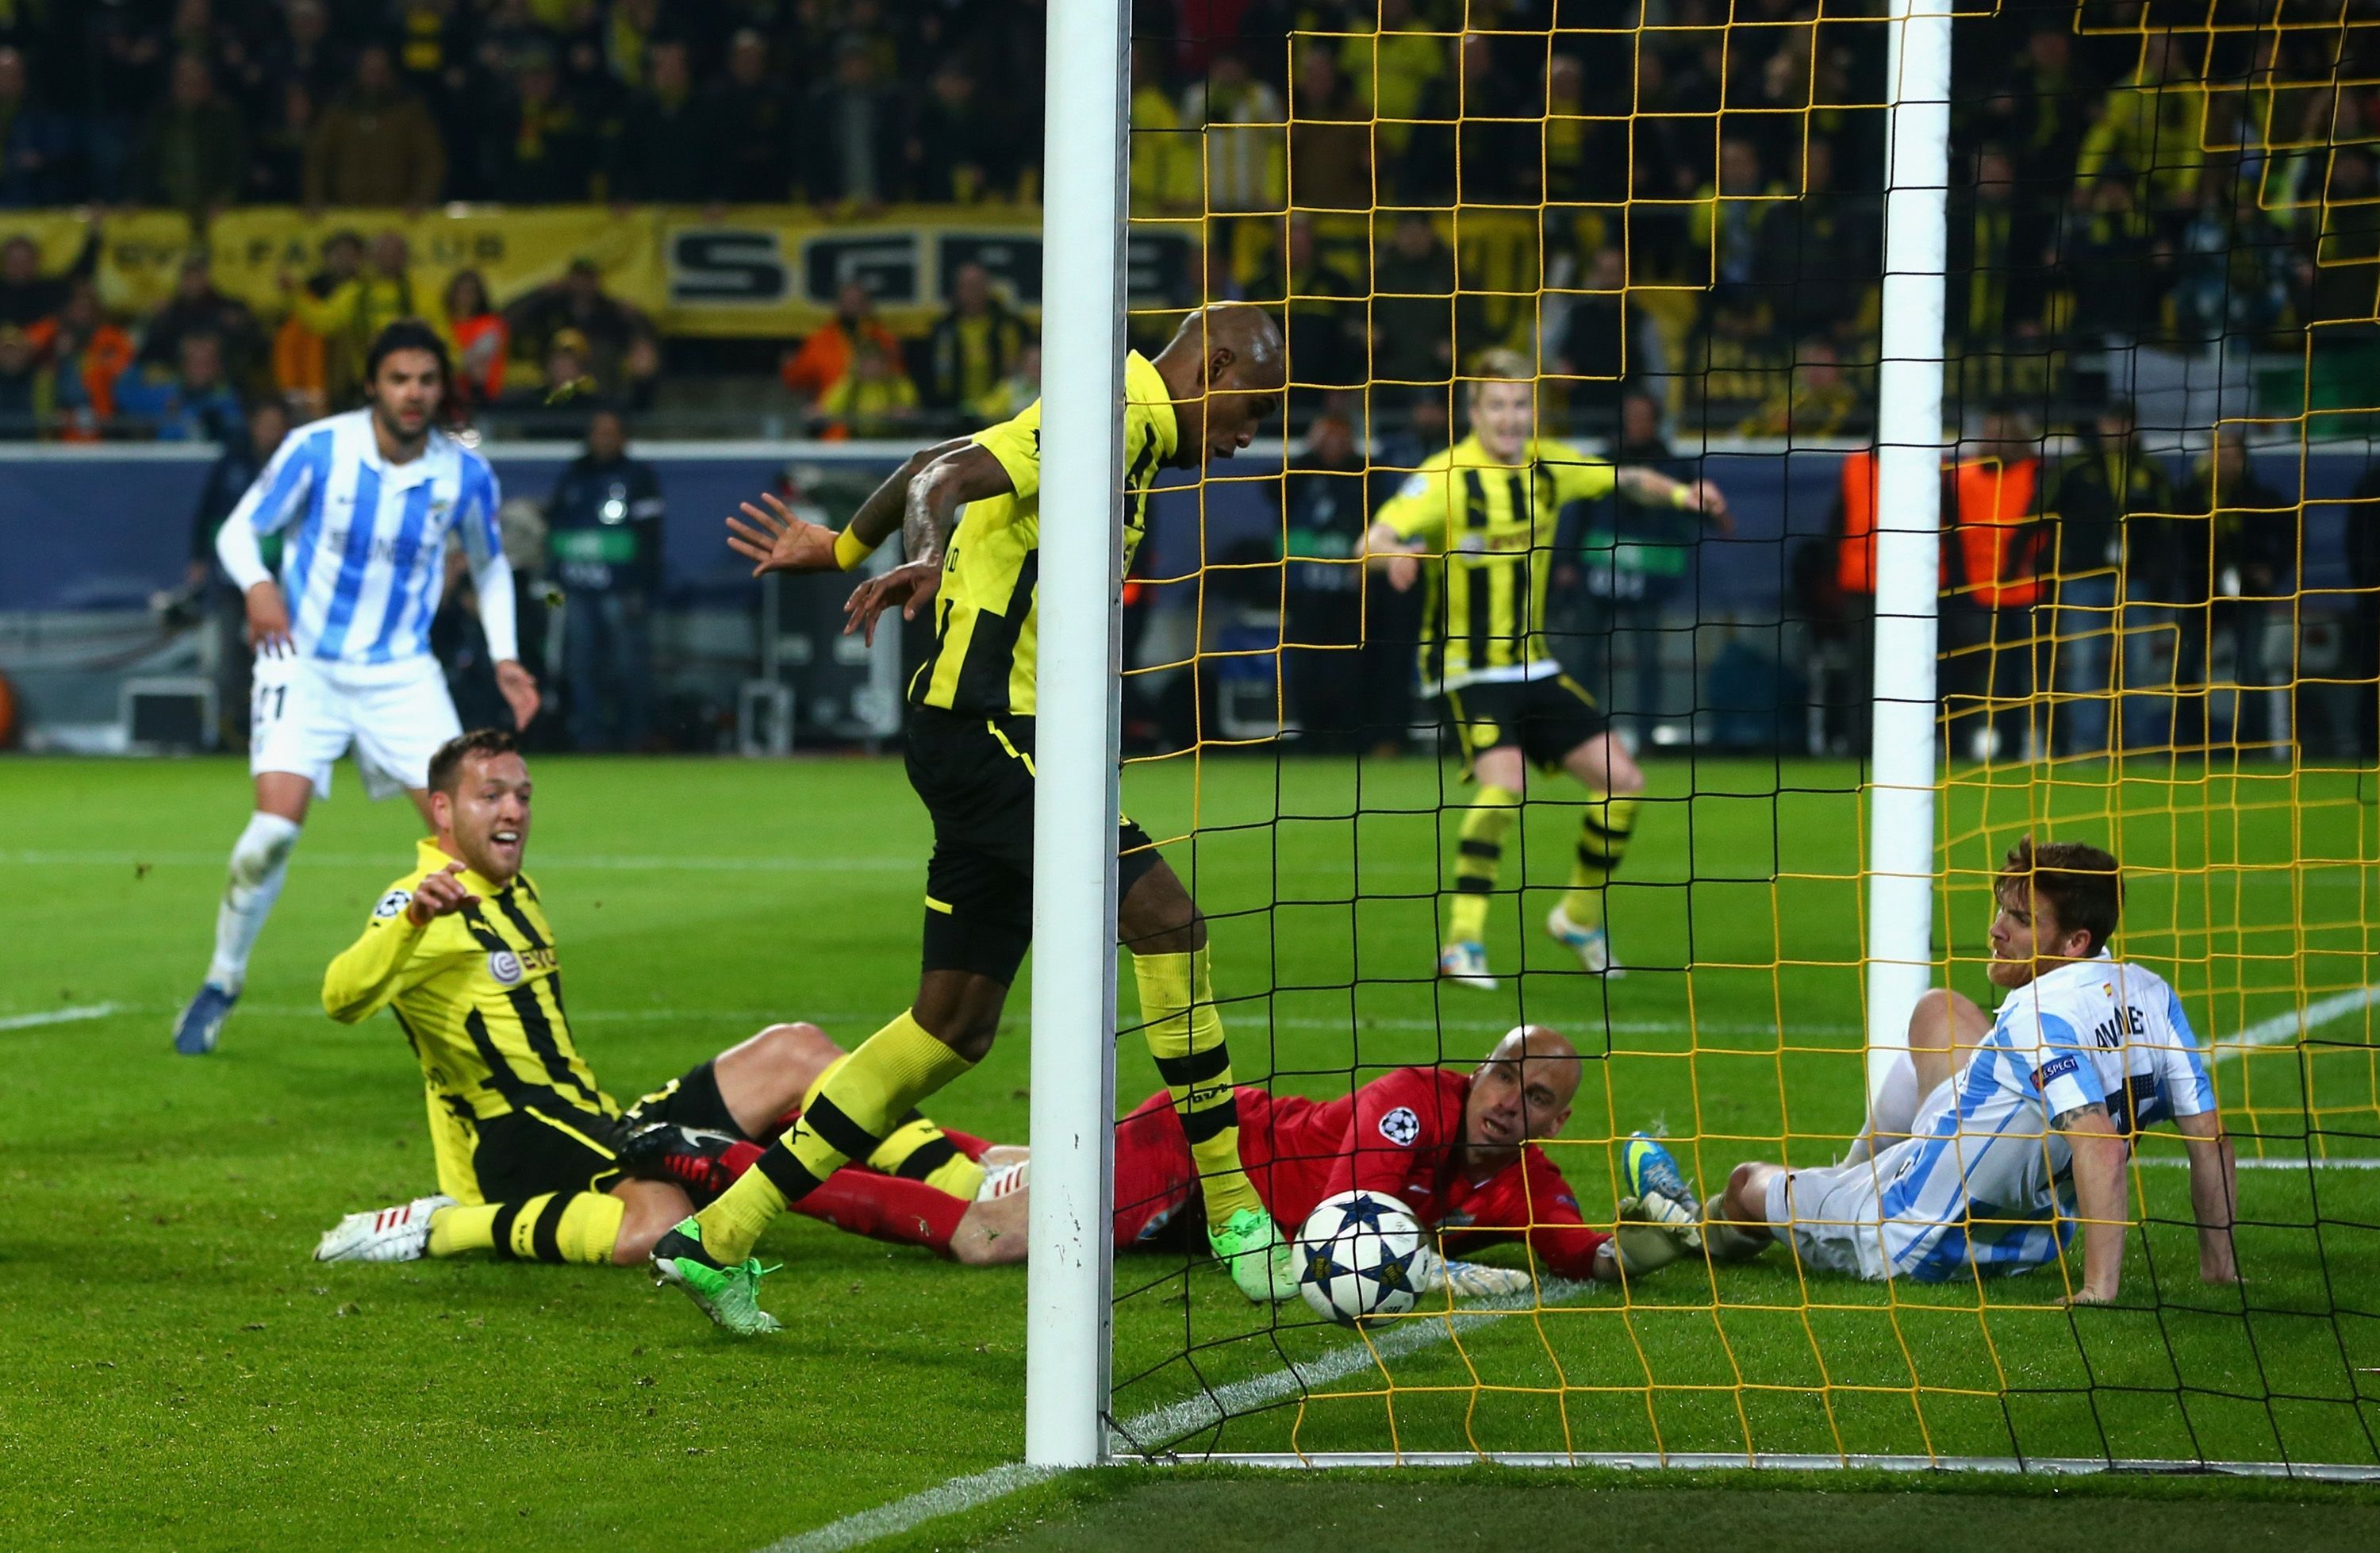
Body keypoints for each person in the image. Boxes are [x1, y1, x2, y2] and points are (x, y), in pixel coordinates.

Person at [661, 303, 1293, 1333]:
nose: (1251, 431)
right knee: (1168, 924)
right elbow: (942, 484)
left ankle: (718, 1233)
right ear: (1210, 364)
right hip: (1000, 734)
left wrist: (839, 550)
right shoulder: (1125, 412)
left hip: (985, 743)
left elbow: (933, 452)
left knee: (951, 1027)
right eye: (1252, 405)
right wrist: (919, 553)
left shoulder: (1111, 412)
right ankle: (1234, 1214)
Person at [312, 729, 1000, 1272]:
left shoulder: (514, 891)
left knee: (796, 1048)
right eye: (491, 795)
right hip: (517, 1145)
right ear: (442, 809)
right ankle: (439, 1227)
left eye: (522, 794)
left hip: (591, 1117)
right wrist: (408, 925)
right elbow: (341, 996)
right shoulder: (423, 901)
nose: (514, 810)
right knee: (661, 1224)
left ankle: (966, 1177)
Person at [171, 321, 540, 1058]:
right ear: (372, 383)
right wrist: (259, 587)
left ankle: (487, 998)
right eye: (400, 379)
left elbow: (491, 563)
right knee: (270, 836)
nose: (414, 394)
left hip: (402, 672)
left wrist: (506, 657)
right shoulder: (320, 448)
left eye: (428, 381)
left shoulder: (462, 473)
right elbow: (240, 532)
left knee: (465, 841)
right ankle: (222, 980)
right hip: (302, 661)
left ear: (441, 390)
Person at [742, 1024, 1705, 1293]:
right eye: (1503, 1076)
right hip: (1199, 1156)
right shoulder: (1413, 1102)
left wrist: (1658, 1237)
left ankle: (814, 1113)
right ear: (1480, 1070)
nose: (1506, 1103)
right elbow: (1349, 1231)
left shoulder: (1528, 1179)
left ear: (1557, 1121)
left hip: (1218, 1220)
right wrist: (1466, 1280)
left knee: (1000, 1164)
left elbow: (1588, 1254)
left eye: (1534, 1098)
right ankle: (723, 1167)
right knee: (990, 1232)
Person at [1704, 838, 2240, 1301]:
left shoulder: (2037, 1014)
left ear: (2076, 942)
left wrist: (2100, 1289)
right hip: (2032, 1244)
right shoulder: (2152, 994)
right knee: (1939, 1009)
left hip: (1914, 1242)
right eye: (2002, 910)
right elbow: (2208, 1137)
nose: (1996, 929)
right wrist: (2219, 1266)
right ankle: (1850, 1175)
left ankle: (1697, 1230)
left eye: (2022, 920)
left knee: (1747, 1181)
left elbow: (2098, 1144)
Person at [1365, 349, 1729, 987]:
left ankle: (1578, 916)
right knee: (1506, 784)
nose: (1511, 418)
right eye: (1497, 405)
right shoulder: (1444, 477)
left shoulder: (1550, 463)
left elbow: (1625, 479)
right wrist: (1392, 554)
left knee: (1624, 780)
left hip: (1531, 665)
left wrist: (1679, 491)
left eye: (1521, 404)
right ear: (1473, 412)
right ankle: (1461, 944)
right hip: (1462, 668)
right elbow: (1369, 539)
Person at [2044, 399, 2175, 755]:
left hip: (2133, 580)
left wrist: (2159, 579)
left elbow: (2167, 531)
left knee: (2138, 664)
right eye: (2109, 421)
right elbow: (2042, 516)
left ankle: (2135, 744)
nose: (2115, 429)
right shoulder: (2074, 467)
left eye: (2123, 422)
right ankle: (2087, 745)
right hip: (2083, 579)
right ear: (2100, 425)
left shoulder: (2151, 470)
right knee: (2084, 662)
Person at [547, 408, 662, 752]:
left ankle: (634, 735)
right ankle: (589, 737)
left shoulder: (638, 477)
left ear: (623, 437)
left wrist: (644, 583)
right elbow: (556, 528)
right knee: (580, 663)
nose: (603, 439)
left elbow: (651, 536)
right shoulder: (573, 475)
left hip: (622, 587)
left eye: (611, 432)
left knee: (630, 664)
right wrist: (557, 581)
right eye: (598, 432)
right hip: (578, 589)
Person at [923, 262, 1030, 414]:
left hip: (1003, 413)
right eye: (967, 286)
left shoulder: (1010, 326)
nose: (973, 291)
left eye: (978, 285)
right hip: (953, 414)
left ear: (988, 287)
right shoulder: (943, 330)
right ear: (957, 290)